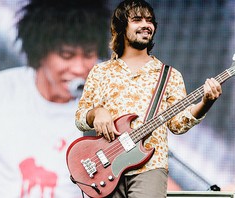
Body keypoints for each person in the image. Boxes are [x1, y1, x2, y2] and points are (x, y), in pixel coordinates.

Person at [0, 0, 109, 197]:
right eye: (66, 55)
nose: (78, 68)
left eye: (88, 55)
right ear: (40, 51)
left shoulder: (107, 105)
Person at [75, 0, 223, 197]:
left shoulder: (169, 75)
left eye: (150, 20)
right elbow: (80, 118)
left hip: (150, 166)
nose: (146, 25)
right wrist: (97, 113)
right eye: (137, 19)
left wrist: (206, 102)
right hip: (106, 166)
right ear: (121, 27)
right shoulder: (101, 72)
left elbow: (178, 124)